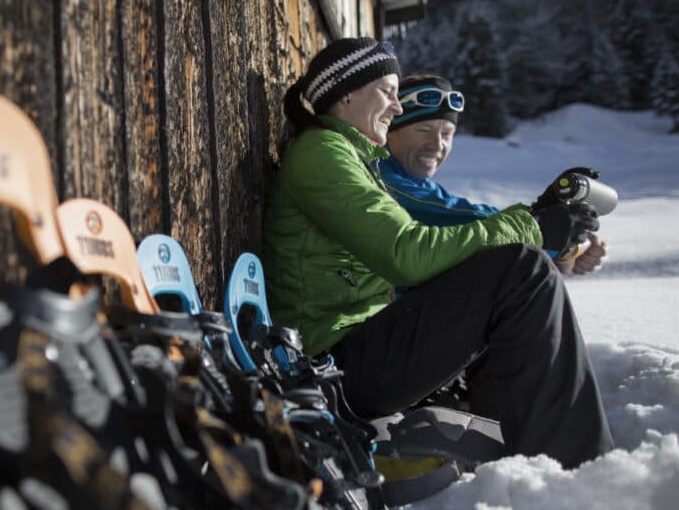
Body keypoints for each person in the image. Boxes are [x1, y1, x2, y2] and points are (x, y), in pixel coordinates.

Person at [261, 37, 613, 469]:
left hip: (350, 352)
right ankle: (580, 464)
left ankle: (519, 456)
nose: (395, 107)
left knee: (515, 278)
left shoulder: (350, 157)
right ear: (347, 92)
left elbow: (438, 235)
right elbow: (405, 253)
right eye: (388, 92)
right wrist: (532, 226)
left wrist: (539, 228)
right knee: (520, 271)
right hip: (331, 365)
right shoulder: (323, 154)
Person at [381, 74, 607, 276]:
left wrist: (567, 252)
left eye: (447, 133)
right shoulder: (383, 177)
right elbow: (462, 219)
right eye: (424, 130)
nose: (437, 144)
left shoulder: (417, 184)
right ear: (389, 131)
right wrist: (539, 221)